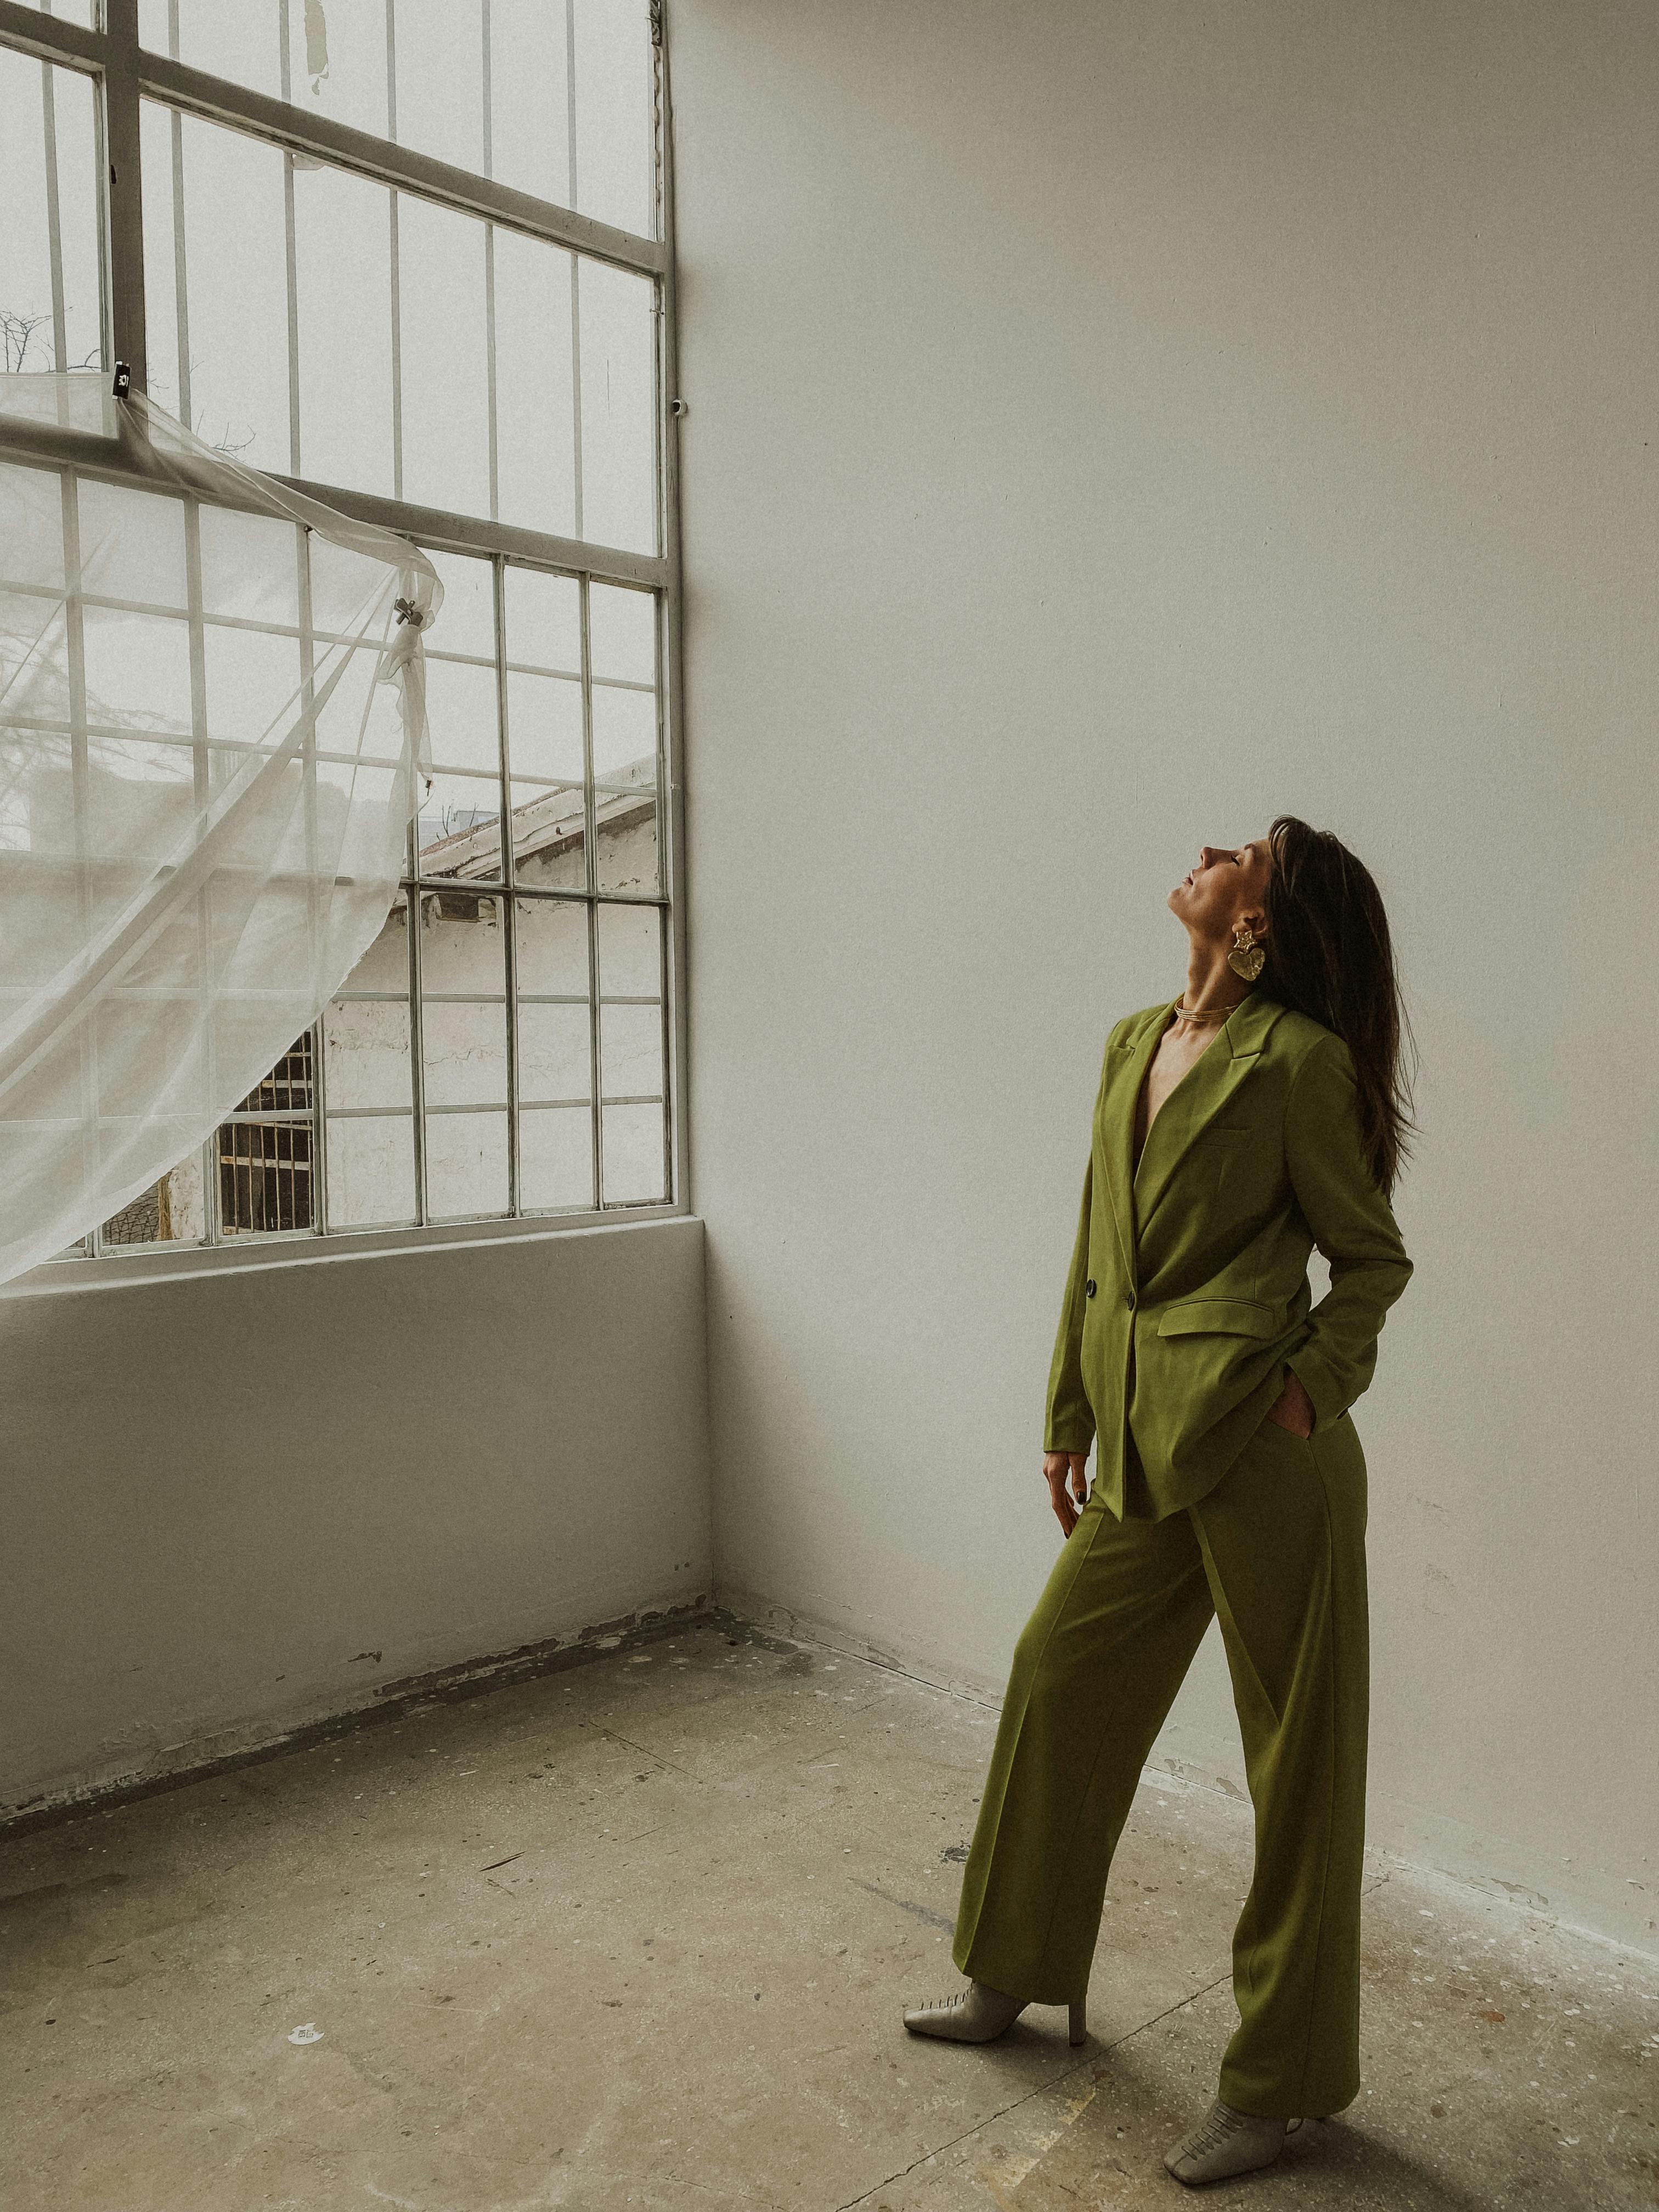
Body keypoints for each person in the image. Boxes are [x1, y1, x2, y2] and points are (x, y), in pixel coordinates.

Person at [902, 816, 1417, 2188]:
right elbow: (1097, 1247)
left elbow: (1372, 1261)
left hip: (1266, 1454)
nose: (1209, 849)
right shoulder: (1135, 1040)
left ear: (1258, 924)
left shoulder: (1297, 1064)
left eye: (1245, 851)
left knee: (1298, 1770)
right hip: (1141, 1438)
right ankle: (1013, 1968)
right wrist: (1068, 1412)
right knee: (1056, 1671)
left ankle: (1279, 2087)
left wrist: (1307, 1390)